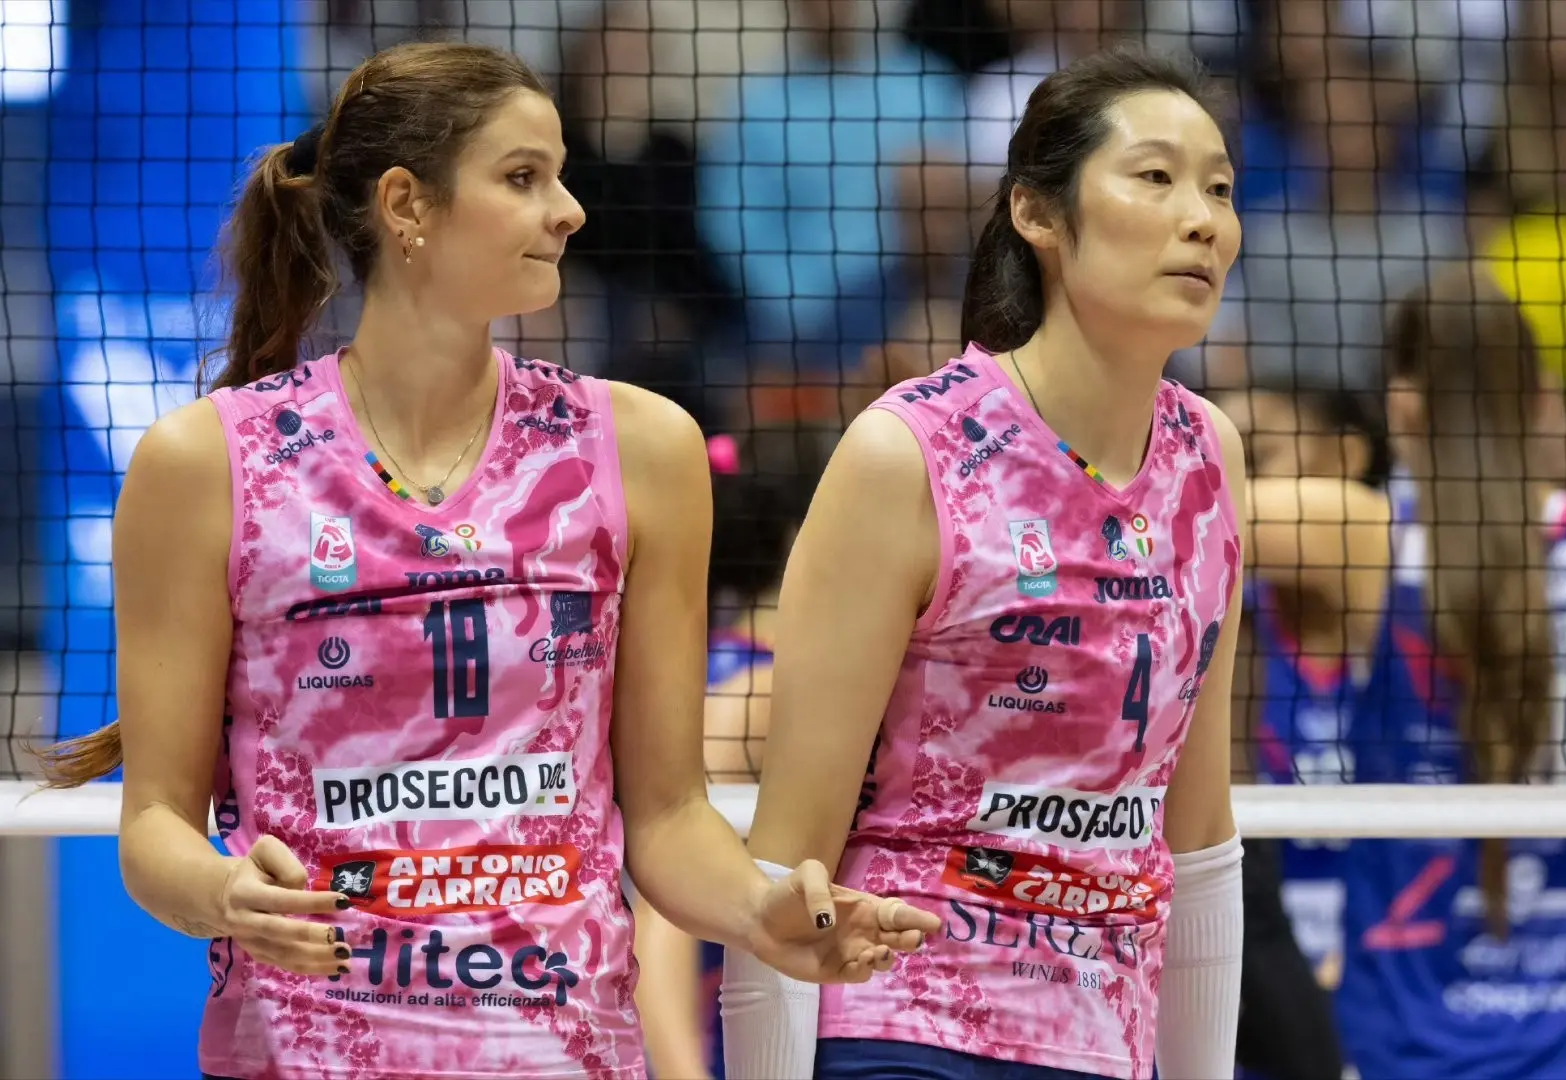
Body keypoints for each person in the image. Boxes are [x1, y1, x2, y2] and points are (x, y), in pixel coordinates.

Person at [32, 41, 939, 1080]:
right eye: (523, 177)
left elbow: (669, 817)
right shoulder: (205, 462)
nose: (570, 211)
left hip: (562, 1053)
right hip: (307, 1051)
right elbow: (154, 828)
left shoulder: (640, 447)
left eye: (560, 175)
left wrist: (759, 909)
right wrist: (224, 892)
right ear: (406, 205)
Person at [722, 46, 1248, 1080]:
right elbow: (787, 862)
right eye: (1155, 177)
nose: (1202, 219)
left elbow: (1197, 837)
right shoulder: (909, 451)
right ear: (1037, 214)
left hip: (1104, 1036)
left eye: (1221, 189)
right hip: (908, 1025)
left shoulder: (1208, 456)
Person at [1244, 262, 1566, 1077]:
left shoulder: (1359, 537)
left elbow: (1161, 502)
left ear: (1402, 403)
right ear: (1542, 401)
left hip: (1394, 1038)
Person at [635, 422, 843, 1080]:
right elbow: (663, 908)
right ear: (804, 538)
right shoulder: (760, 692)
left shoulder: (704, 663)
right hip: (718, 1025)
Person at [1218, 385, 1390, 1080]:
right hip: (1256, 982)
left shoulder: (1390, 589)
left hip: (1384, 979)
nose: (1226, 473)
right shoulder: (1225, 628)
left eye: (1254, 455)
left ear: (1345, 457)